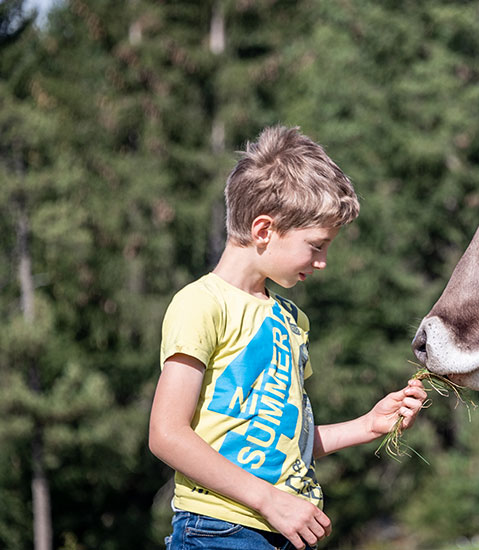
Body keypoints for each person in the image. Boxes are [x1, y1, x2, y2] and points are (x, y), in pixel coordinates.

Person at [149, 126, 427, 550]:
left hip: (284, 527)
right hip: (219, 532)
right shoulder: (201, 304)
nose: (323, 262)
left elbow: (288, 441)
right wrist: (268, 500)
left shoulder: (290, 319)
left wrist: (367, 425)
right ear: (263, 230)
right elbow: (166, 433)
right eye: (316, 246)